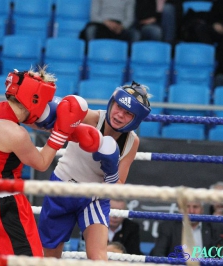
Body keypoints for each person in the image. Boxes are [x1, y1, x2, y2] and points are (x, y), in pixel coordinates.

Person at [0, 67, 89, 257]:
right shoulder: (14, 133)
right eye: (44, 99)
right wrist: (61, 133)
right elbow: (42, 163)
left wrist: (71, 130)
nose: (46, 105)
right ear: (33, 98)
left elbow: (33, 122)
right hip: (4, 205)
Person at [38, 81, 152, 260]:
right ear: (111, 103)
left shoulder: (132, 142)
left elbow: (119, 184)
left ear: (135, 119)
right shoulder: (90, 118)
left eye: (128, 113)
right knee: (50, 255)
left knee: (99, 256)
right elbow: (45, 120)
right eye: (118, 107)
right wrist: (46, 107)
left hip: (95, 198)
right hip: (63, 188)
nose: (119, 115)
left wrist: (111, 169)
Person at [150, 200, 223, 257]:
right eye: (187, 207)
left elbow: (217, 256)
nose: (191, 211)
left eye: (195, 207)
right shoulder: (167, 227)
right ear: (180, 209)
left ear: (202, 209)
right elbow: (159, 253)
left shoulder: (214, 227)